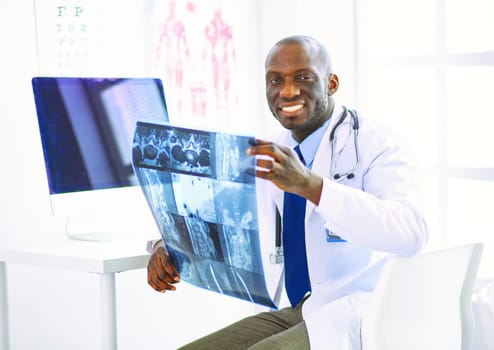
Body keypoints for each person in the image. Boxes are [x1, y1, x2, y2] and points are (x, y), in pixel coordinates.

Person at [146, 35, 428, 349]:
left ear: (331, 83)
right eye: (275, 80)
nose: (288, 91)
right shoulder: (272, 149)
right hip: (306, 307)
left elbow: (411, 232)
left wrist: (313, 187)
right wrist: (164, 244)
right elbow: (211, 210)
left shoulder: (376, 143)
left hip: (366, 308)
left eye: (303, 78)